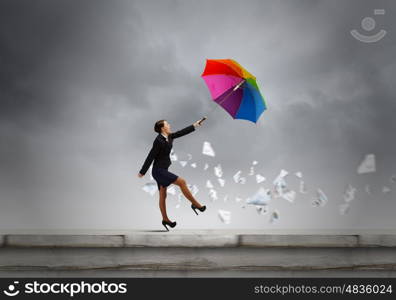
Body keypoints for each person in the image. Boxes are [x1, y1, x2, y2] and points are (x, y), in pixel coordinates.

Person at [138, 118, 207, 231]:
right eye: (167, 124)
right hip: (158, 171)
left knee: (162, 195)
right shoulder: (158, 140)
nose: (169, 125)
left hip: (163, 169)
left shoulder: (169, 137)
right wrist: (142, 171)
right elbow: (151, 156)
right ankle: (196, 204)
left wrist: (195, 125)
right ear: (162, 128)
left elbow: (181, 132)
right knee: (182, 182)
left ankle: (165, 219)